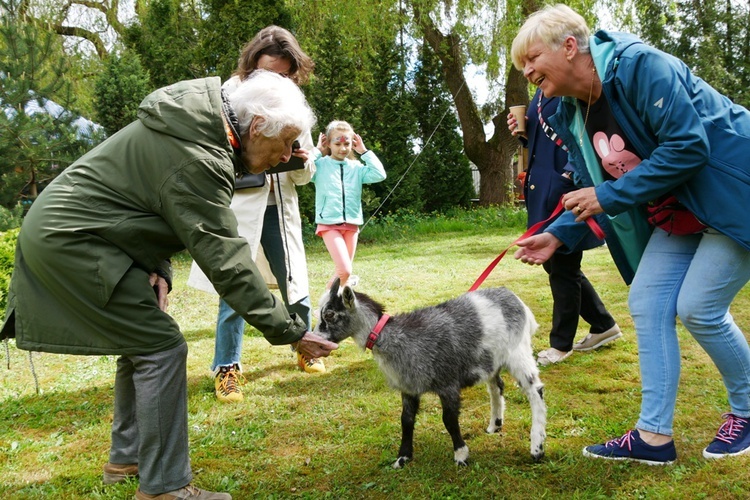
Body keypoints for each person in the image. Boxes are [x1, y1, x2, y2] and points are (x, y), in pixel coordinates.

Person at [0, 71, 338, 499]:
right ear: (256, 126)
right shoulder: (199, 154)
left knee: (142, 341)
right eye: (287, 143)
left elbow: (143, 205)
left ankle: (128, 460)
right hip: (73, 243)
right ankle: (164, 488)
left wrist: (158, 267)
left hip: (79, 236)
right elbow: (226, 259)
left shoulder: (199, 130)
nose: (289, 154)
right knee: (162, 346)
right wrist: (291, 331)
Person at [511, 3, 750, 464]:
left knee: (699, 306)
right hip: (678, 209)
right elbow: (592, 184)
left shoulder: (642, 66)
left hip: (732, 194)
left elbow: (689, 146)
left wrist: (608, 196)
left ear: (567, 46)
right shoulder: (565, 111)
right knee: (647, 300)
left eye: (532, 58)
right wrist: (559, 234)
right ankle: (654, 436)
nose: (527, 71)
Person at [187, 27, 323, 405]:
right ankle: (227, 367)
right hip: (239, 207)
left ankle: (305, 346)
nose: (275, 82)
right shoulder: (227, 96)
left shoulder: (295, 103)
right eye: (267, 73)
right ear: (251, 65)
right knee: (235, 286)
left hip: (280, 206)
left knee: (294, 280)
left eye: (283, 75)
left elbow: (306, 174)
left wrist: (298, 161)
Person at [508, 89, 621, 366]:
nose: (530, 69)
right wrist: (524, 133)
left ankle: (561, 344)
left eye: (534, 58)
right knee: (559, 264)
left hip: (564, 188)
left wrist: (571, 172)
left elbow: (586, 134)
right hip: (542, 186)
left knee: (563, 266)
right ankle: (603, 324)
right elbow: (546, 138)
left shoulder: (570, 88)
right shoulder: (541, 92)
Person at [312, 121, 386, 289]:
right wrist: (316, 151)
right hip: (329, 224)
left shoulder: (357, 168)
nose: (343, 148)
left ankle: (332, 309)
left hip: (352, 224)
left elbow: (380, 174)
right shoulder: (319, 166)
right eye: (337, 143)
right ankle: (326, 307)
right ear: (328, 143)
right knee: (345, 271)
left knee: (343, 274)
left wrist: (364, 152)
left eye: (347, 144)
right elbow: (302, 170)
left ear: (353, 144)